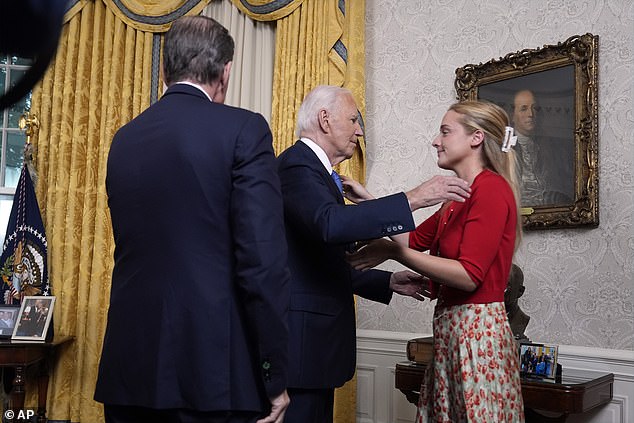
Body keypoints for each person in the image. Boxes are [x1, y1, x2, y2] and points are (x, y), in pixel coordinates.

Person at [94, 16, 290, 423]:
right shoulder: (245, 130)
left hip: (130, 370)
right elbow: (262, 265)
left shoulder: (124, 139)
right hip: (214, 376)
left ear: (165, 69)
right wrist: (272, 374)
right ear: (226, 71)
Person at [276, 85, 472, 423]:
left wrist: (389, 281)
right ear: (325, 119)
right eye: (353, 120)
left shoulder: (318, 173)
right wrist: (413, 197)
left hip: (313, 350)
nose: (359, 131)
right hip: (302, 351)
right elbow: (330, 225)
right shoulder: (297, 165)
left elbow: (321, 261)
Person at [348, 101, 525, 422]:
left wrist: (393, 253)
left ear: (476, 138)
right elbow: (413, 240)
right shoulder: (459, 194)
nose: (435, 140)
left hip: (477, 339)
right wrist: (369, 203)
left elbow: (468, 275)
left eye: (445, 131)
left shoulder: (491, 189)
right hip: (451, 336)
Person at [511, 89, 573, 206]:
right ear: (513, 116)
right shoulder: (503, 149)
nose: (530, 114)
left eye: (535, 108)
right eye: (524, 109)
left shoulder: (552, 149)